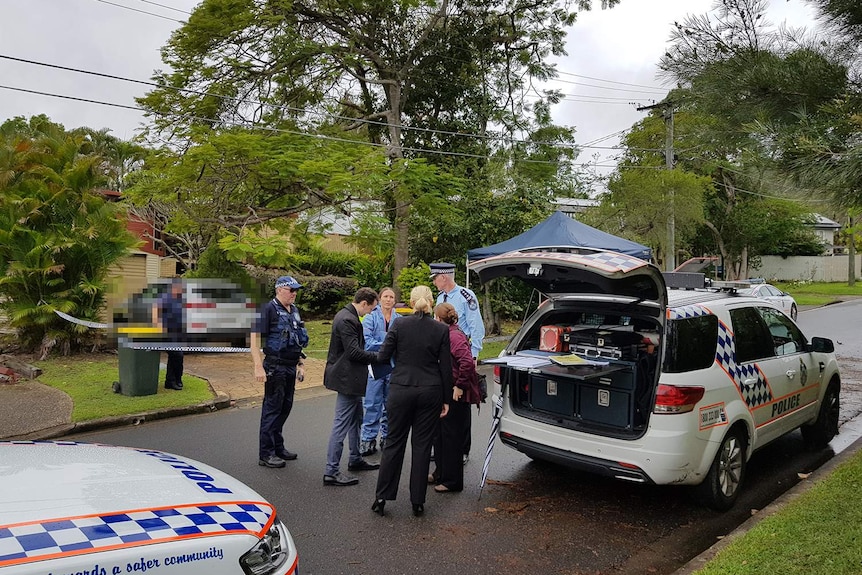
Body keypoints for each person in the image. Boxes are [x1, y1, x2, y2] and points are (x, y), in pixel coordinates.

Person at [371, 285, 452, 517]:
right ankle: (417, 501)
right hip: (430, 390)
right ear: (431, 302)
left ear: (410, 301)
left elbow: (383, 356)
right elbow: (445, 367)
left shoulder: (399, 324)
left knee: (394, 442)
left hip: (401, 388)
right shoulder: (440, 329)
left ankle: (382, 496)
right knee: (422, 446)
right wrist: (446, 399)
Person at [323, 287, 381, 486]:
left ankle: (355, 458)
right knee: (341, 424)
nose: (371, 313)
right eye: (372, 309)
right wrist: (379, 357)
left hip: (351, 378)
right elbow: (354, 352)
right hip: (346, 378)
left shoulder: (347, 315)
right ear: (364, 303)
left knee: (357, 419)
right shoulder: (348, 319)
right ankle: (331, 471)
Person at [251, 275, 309, 468]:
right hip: (275, 366)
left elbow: (297, 339)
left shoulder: (294, 311)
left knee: (285, 407)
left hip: (290, 365)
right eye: (291, 290)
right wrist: (258, 366)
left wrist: (300, 364)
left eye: (296, 290)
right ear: (279, 290)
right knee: (272, 408)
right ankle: (266, 453)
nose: (294, 294)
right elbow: (255, 337)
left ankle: (278, 446)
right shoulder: (268, 309)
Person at [430, 262, 485, 463]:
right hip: (443, 356)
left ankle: (462, 449)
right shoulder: (440, 298)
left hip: (460, 354)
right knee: (445, 400)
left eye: (435, 278)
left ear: (443, 277)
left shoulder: (466, 296)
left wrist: (474, 354)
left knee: (461, 404)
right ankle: (444, 446)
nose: (434, 282)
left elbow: (476, 326)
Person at [430, 302, 481, 493]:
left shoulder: (455, 336)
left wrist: (459, 386)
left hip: (455, 392)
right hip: (445, 389)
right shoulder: (447, 333)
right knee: (441, 435)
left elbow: (467, 363)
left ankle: (452, 481)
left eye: (435, 317)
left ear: (439, 319)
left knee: (451, 437)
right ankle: (440, 473)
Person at [360, 287, 399, 456]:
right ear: (380, 298)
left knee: (391, 405)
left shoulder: (399, 320)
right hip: (374, 367)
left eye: (391, 297)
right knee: (372, 404)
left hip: (393, 367)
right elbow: (367, 343)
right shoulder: (370, 318)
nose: (388, 299)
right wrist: (389, 343)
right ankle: (367, 439)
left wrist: (383, 343)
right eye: (385, 296)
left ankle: (387, 437)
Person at [152, 278, 185, 390]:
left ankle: (172, 381)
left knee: (175, 356)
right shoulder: (166, 297)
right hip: (168, 332)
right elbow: (156, 308)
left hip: (178, 332)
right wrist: (157, 323)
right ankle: (176, 379)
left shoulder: (180, 299)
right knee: (177, 354)